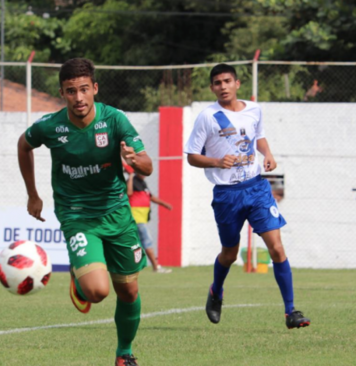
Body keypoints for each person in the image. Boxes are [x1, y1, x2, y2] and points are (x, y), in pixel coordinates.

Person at [17, 58, 152, 366]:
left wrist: (133, 158)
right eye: (70, 91)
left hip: (117, 213)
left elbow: (148, 165)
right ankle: (80, 279)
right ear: (62, 93)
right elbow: (23, 145)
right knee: (97, 291)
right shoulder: (50, 126)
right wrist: (33, 194)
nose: (78, 98)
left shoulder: (115, 120)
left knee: (129, 292)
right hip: (76, 214)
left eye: (83, 90)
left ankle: (124, 354)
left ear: (94, 88)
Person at [183, 63, 310, 329]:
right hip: (227, 195)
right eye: (217, 83)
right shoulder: (207, 116)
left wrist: (269, 155)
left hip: (257, 188)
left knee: (276, 247)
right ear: (212, 88)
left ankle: (291, 312)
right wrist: (217, 162)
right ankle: (216, 291)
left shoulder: (254, 109)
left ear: (237, 83)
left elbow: (259, 137)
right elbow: (192, 157)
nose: (223, 86)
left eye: (227, 81)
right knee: (229, 254)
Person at [126, 171, 173, 273]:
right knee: (147, 241)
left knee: (136, 243)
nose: (144, 174)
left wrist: (164, 204)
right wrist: (130, 176)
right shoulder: (132, 180)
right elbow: (129, 193)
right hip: (136, 217)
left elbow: (151, 197)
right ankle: (156, 267)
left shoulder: (142, 183)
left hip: (142, 218)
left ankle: (132, 267)